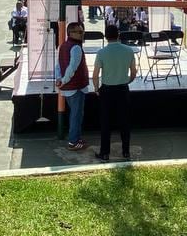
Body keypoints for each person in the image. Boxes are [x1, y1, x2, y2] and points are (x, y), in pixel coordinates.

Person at [93, 23, 138, 161]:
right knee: (124, 122)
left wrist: (96, 88)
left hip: (107, 90)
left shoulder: (101, 53)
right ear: (118, 35)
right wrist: (128, 81)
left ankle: (105, 153)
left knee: (106, 122)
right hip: (123, 89)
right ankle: (126, 152)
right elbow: (133, 71)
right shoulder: (129, 50)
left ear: (106, 37)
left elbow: (95, 75)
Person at [54, 20, 88, 150]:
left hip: (68, 87)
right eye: (79, 32)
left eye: (82, 32)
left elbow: (58, 65)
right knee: (76, 115)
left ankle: (76, 139)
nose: (82, 34)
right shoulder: (76, 48)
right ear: (71, 33)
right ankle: (73, 141)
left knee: (75, 114)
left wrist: (59, 79)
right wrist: (64, 80)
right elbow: (72, 68)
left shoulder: (63, 46)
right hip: (75, 87)